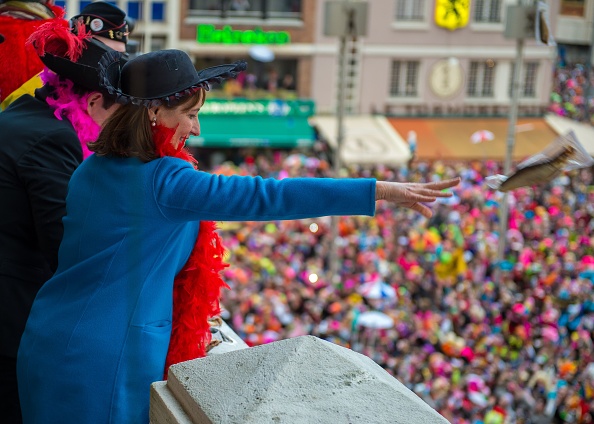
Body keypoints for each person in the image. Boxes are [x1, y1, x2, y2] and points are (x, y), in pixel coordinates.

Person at [17, 48, 460, 423]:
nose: (197, 129)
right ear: (153, 111)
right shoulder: (165, 181)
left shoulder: (91, 166)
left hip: (47, 340)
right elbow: (269, 196)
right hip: (105, 365)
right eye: (190, 114)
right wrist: (377, 190)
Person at [0, 13, 122, 424]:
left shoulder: (25, 114)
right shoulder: (54, 139)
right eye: (117, 116)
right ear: (90, 103)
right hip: (10, 330)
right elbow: (68, 252)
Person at [1, 1, 132, 110]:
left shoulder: (122, 100)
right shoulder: (32, 93)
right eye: (103, 53)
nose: (116, 65)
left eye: (121, 56)